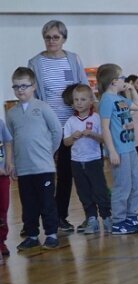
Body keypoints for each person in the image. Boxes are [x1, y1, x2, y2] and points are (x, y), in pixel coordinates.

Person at [28, 20, 90, 233]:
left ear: (64, 38)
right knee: (42, 174)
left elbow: (84, 87)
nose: (51, 41)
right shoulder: (35, 62)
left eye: (55, 37)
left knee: (65, 174)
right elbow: (33, 95)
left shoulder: (72, 59)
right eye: (47, 37)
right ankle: (33, 221)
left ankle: (60, 216)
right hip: (46, 127)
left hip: (70, 125)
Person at [7, 67, 62, 250]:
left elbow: (57, 131)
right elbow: (10, 140)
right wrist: (12, 162)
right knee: (28, 204)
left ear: (33, 87)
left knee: (47, 203)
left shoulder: (42, 107)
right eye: (16, 86)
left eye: (24, 86)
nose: (20, 90)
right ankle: (31, 235)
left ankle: (51, 234)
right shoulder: (12, 113)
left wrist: (49, 151)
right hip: (24, 169)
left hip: (43, 167)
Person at [97, 63, 138, 235]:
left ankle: (131, 216)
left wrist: (132, 90)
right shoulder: (106, 100)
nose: (124, 80)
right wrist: (111, 151)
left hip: (130, 147)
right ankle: (118, 221)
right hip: (119, 150)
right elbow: (105, 128)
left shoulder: (120, 99)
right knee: (122, 185)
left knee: (137, 184)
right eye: (121, 78)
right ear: (113, 81)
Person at [62, 84, 111, 234]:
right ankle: (91, 218)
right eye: (76, 99)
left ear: (91, 101)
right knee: (83, 191)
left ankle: (107, 216)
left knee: (99, 189)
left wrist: (91, 134)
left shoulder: (96, 119)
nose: (79, 102)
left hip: (93, 160)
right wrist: (72, 137)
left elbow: (103, 138)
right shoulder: (70, 121)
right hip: (76, 162)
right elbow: (65, 142)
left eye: (83, 99)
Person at [0, 117, 14, 258]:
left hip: (3, 176)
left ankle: (1, 241)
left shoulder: (0, 122)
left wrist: (9, 162)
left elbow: (8, 142)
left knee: (3, 208)